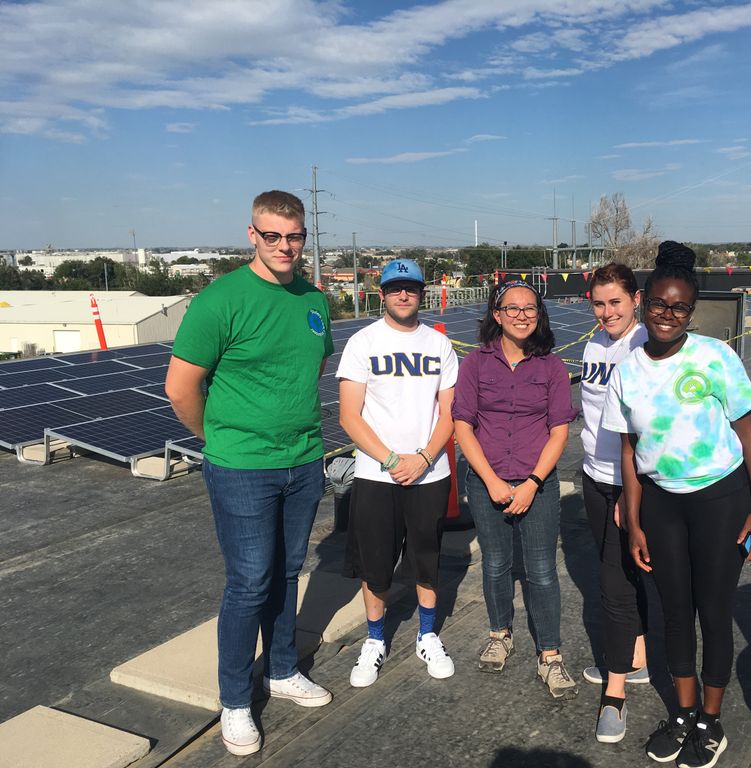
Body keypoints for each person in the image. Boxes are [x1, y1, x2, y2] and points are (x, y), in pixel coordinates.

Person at [165, 190, 334, 757]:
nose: (285, 246)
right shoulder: (220, 301)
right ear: (252, 235)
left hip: (304, 460)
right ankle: (235, 701)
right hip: (242, 467)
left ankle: (282, 670)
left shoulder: (314, 299)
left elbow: (311, 367)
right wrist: (217, 440)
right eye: (272, 236)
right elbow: (180, 387)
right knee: (249, 582)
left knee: (287, 573)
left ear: (304, 236)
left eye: (294, 236)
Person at [602, 242, 751, 767]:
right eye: (659, 304)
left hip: (721, 499)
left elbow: (749, 436)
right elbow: (629, 452)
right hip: (662, 506)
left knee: (714, 612)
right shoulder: (627, 371)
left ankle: (710, 721)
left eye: (679, 307)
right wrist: (634, 521)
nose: (667, 314)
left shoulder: (716, 357)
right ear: (644, 302)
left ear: (691, 312)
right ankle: (683, 713)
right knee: (675, 613)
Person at [452, 280, 579, 700]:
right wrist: (490, 480)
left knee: (541, 570)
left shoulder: (551, 367)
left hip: (536, 485)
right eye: (512, 308)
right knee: (495, 564)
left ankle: (550, 654)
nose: (521, 315)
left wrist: (532, 483)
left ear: (539, 316)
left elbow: (559, 432)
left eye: (530, 308)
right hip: (486, 482)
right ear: (497, 314)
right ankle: (500, 633)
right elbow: (463, 425)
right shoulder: (475, 364)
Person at [337, 258, 458, 689]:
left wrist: (423, 458)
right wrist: (391, 460)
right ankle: (375, 640)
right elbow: (349, 416)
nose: (403, 295)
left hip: (429, 473)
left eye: (411, 288)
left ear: (422, 293)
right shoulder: (362, 342)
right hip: (376, 475)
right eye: (394, 288)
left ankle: (427, 635)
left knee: (426, 559)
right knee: (376, 564)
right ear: (382, 294)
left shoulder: (439, 344)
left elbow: (449, 413)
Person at [579, 263, 650, 744]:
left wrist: (630, 489)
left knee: (613, 584)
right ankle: (636, 658)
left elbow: (645, 426)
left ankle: (615, 692)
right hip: (594, 475)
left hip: (629, 482)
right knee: (625, 572)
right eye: (599, 304)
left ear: (636, 300)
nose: (607, 313)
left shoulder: (644, 347)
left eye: (616, 303)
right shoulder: (594, 345)